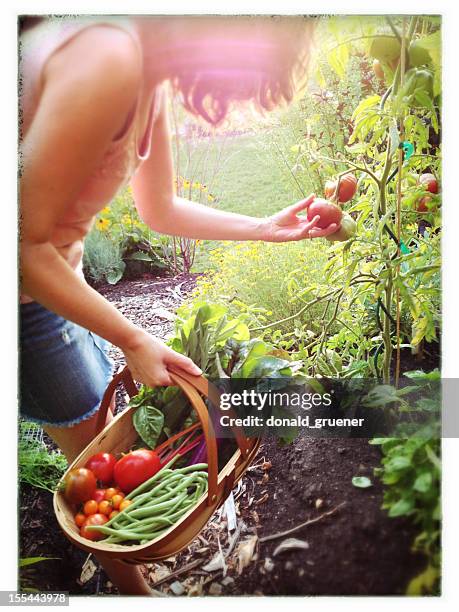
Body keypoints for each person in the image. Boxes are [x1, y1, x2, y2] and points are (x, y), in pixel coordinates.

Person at [19, 15, 338, 595]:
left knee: (99, 444)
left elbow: (159, 207)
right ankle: (134, 591)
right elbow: (22, 245)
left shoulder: (146, 73)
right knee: (91, 470)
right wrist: (133, 338)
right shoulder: (110, 60)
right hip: (24, 304)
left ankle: (124, 574)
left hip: (61, 283)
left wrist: (267, 227)